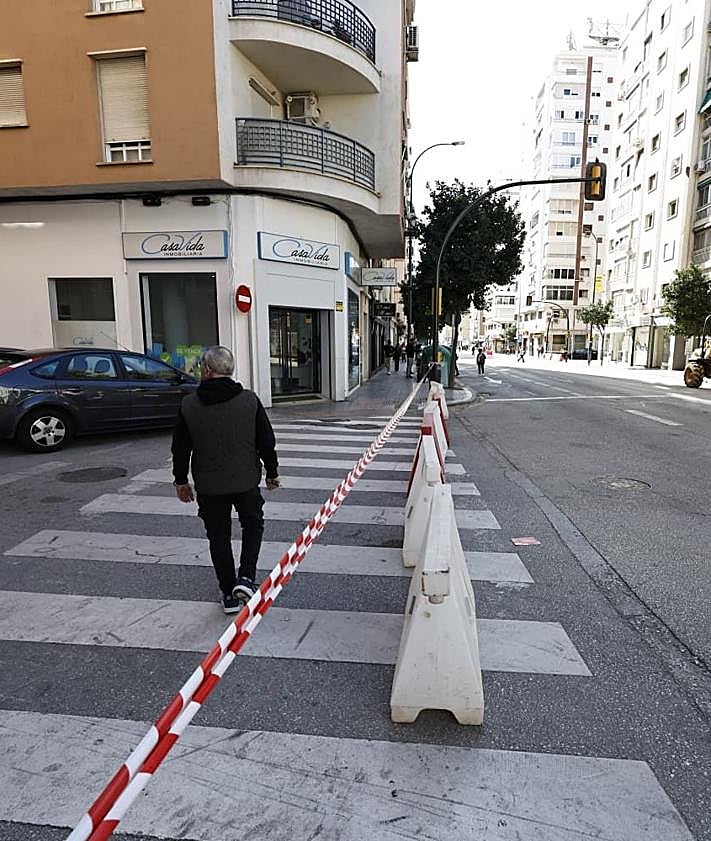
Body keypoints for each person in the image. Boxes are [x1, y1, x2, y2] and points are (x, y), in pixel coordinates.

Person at [171, 346, 280, 614]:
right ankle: (245, 578)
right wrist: (272, 473)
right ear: (230, 370)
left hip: (209, 486)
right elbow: (266, 441)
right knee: (253, 526)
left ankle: (228, 592)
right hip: (245, 481)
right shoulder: (250, 400)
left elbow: (181, 447)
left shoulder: (189, 404)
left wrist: (181, 480)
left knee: (218, 537)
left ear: (207, 371)